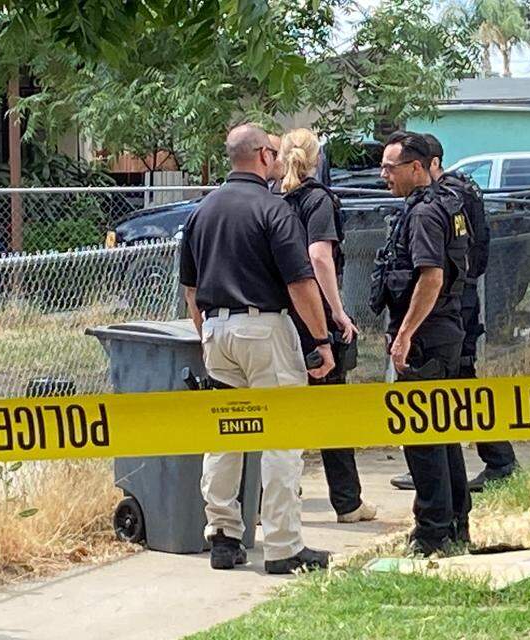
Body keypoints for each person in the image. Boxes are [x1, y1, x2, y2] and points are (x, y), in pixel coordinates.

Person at [180, 123, 335, 575]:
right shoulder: (273, 209)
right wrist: (321, 340)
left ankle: (223, 536)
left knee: (226, 435)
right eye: (275, 151)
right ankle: (283, 547)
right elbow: (301, 282)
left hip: (216, 330)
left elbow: (191, 289)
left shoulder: (202, 211)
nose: (279, 159)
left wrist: (205, 332)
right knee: (281, 438)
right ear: (264, 156)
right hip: (264, 328)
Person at [388, 134, 517, 494]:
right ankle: (460, 471)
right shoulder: (459, 196)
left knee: (457, 387)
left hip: (449, 304)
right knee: (457, 387)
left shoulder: (440, 202)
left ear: (428, 164)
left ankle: (492, 461)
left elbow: (438, 268)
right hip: (457, 299)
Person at [371, 131, 471, 555]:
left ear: (416, 167)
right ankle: (454, 526)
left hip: (427, 340)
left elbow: (431, 277)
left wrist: (405, 335)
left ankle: (432, 535)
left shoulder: (426, 214)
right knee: (442, 432)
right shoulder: (443, 205)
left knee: (423, 436)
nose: (383, 175)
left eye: (390, 167)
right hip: (443, 332)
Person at [279, 128, 377, 524]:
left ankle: (276, 499)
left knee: (281, 415)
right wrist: (337, 312)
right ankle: (348, 503)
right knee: (332, 411)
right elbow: (319, 256)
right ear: (317, 159)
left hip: (277, 318)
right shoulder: (317, 200)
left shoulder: (272, 199)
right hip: (313, 317)